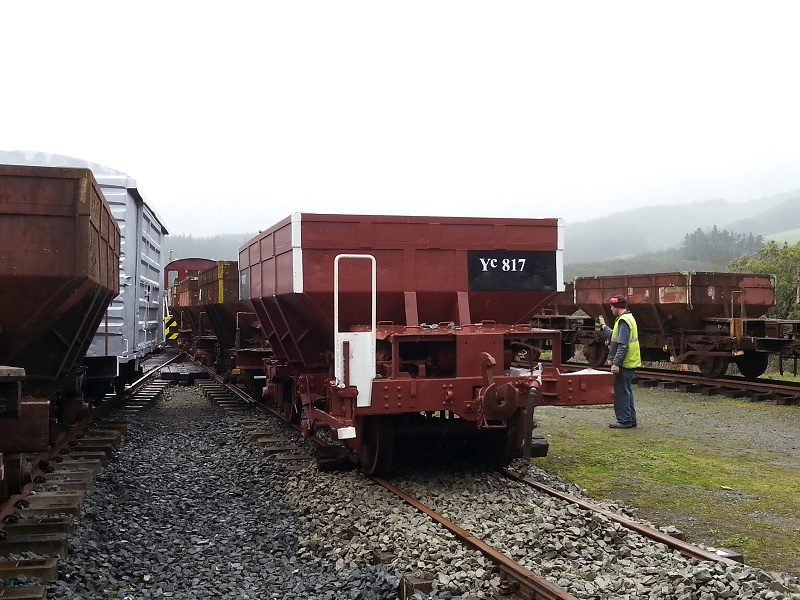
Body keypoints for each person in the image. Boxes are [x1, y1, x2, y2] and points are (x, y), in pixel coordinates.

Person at [598, 295, 641, 429]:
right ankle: (630, 420)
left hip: (624, 363)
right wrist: (604, 327)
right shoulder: (628, 318)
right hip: (629, 362)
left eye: (612, 306)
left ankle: (624, 421)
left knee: (621, 392)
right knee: (626, 391)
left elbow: (622, 345)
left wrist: (616, 363)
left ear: (617, 307)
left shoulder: (623, 321)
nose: (610, 309)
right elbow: (615, 337)